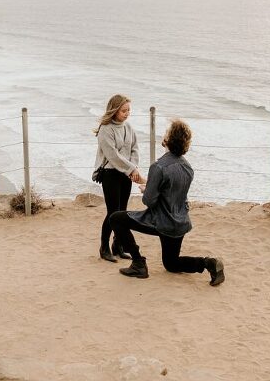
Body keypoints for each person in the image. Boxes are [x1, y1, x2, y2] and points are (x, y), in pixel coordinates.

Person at [109, 119, 225, 286]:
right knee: (171, 263)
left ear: (168, 139)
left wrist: (145, 190)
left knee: (116, 218)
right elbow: (172, 191)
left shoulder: (158, 167)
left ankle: (138, 263)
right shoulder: (187, 167)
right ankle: (209, 263)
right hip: (180, 222)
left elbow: (149, 201)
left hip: (161, 222)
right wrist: (151, 185)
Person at [93, 94, 141, 262]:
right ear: (114, 110)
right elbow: (113, 156)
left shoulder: (128, 127)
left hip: (126, 175)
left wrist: (132, 168)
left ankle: (118, 246)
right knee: (112, 213)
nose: (127, 113)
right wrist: (131, 168)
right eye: (123, 110)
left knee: (123, 212)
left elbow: (135, 149)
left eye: (128, 110)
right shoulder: (105, 129)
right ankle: (104, 247)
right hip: (110, 174)